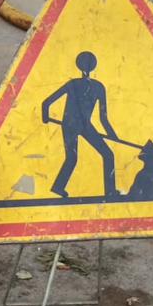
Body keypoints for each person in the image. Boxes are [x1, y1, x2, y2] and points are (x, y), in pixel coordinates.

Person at [41, 51, 119, 200]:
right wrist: (111, 134)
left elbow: (46, 103)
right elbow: (103, 118)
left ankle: (60, 187)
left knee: (73, 158)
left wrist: (45, 116)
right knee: (106, 155)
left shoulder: (74, 84)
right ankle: (108, 192)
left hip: (75, 124)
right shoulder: (98, 87)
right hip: (74, 125)